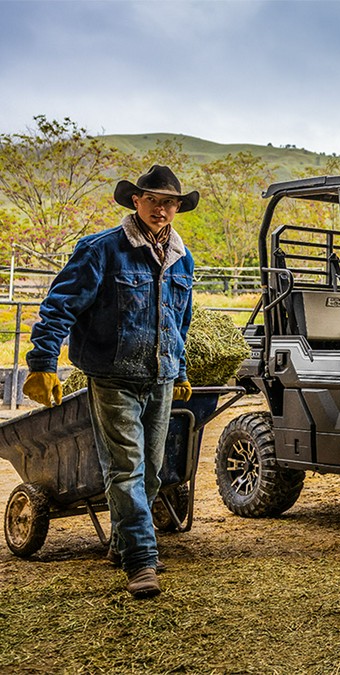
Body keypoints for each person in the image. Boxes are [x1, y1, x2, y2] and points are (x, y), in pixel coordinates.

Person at [23, 165, 197, 599]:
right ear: (135, 201)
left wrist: (182, 368)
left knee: (153, 472)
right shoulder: (101, 249)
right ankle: (141, 561)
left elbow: (181, 320)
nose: (162, 209)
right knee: (126, 470)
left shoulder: (181, 256)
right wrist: (43, 361)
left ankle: (122, 544)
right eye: (154, 200)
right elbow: (59, 306)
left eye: (170, 202)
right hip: (113, 375)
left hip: (159, 376)